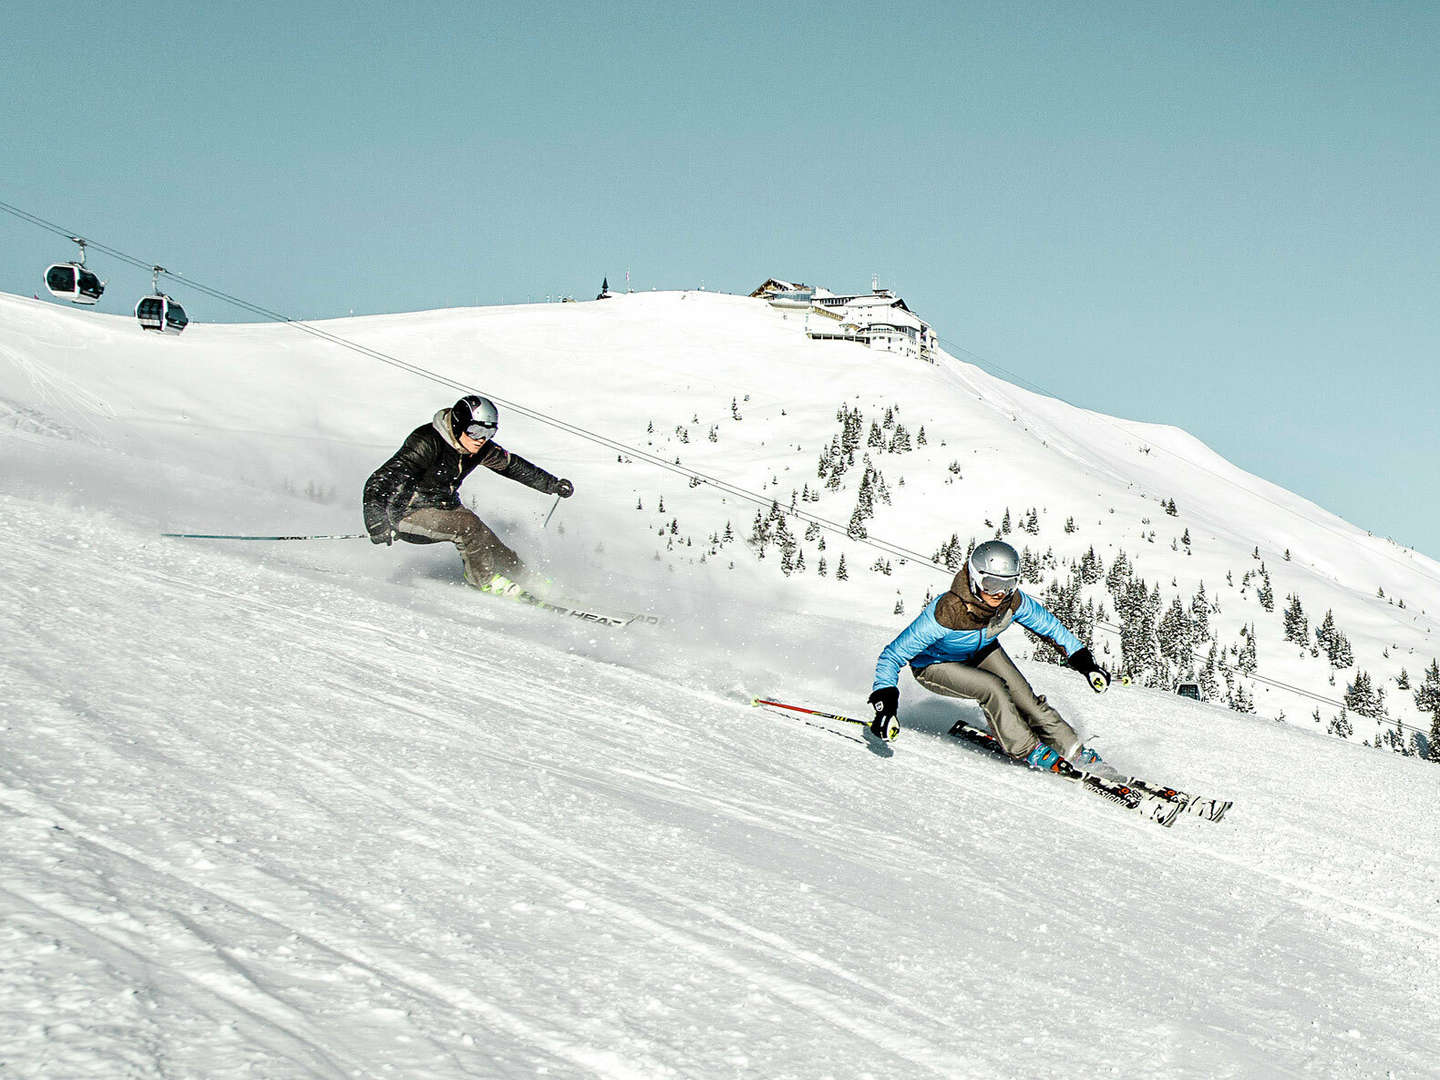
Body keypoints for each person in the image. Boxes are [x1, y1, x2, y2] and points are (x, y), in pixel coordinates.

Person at [868, 539, 1112, 771]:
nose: (999, 594)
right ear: (975, 579)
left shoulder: (1011, 602)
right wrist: (885, 707)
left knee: (1024, 697)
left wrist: (1085, 664)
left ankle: (1072, 750)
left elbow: (1050, 628)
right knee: (992, 688)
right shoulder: (947, 613)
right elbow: (891, 656)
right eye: (992, 584)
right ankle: (1026, 748)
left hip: (980, 651)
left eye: (1008, 585)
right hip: (934, 664)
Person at [363, 395, 573, 591]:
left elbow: (512, 466)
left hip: (444, 507)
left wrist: (551, 484)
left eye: (489, 433)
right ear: (458, 424)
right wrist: (376, 521)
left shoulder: (478, 448)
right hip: (407, 512)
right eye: (475, 431)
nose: (481, 439)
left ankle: (526, 578)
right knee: (468, 527)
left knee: (487, 538)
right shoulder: (427, 441)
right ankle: (485, 581)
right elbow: (381, 480)